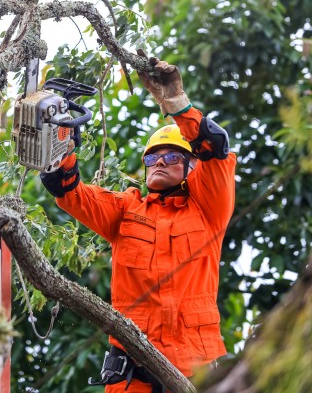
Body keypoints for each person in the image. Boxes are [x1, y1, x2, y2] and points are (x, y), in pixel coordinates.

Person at [39, 57, 236, 392]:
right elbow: (69, 191)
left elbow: (215, 150)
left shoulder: (208, 209)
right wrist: (60, 141)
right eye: (152, 157)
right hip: (133, 377)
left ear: (191, 167)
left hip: (197, 372)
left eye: (171, 156)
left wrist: (175, 104)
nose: (159, 161)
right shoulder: (125, 208)